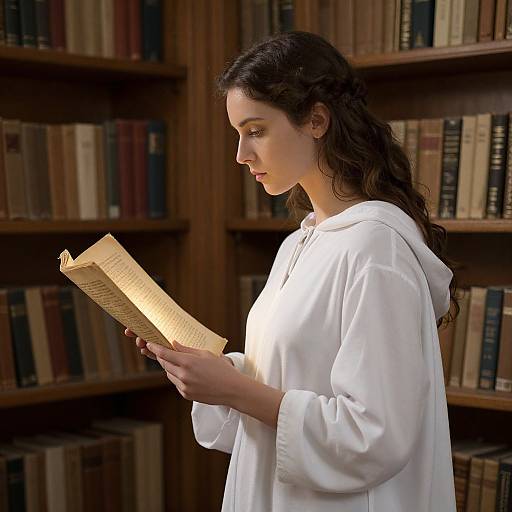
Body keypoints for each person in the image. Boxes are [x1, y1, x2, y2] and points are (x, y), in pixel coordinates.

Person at [125, 31, 459, 512]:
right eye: (238, 133)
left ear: (317, 120)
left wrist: (235, 389)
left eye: (256, 130)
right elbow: (293, 376)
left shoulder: (375, 249)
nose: (241, 154)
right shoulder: (300, 243)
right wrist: (205, 368)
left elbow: (374, 434)